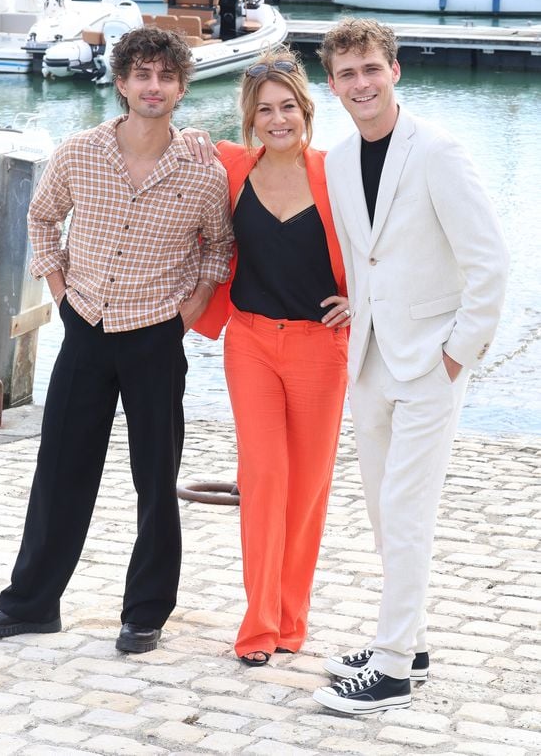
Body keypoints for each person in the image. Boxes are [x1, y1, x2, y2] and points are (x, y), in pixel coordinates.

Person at [0, 27, 233, 654]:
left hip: (156, 334)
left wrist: (190, 310)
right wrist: (59, 291)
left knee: (156, 479)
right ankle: (32, 605)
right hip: (85, 325)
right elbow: (42, 216)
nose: (154, 86)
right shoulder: (80, 152)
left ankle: (145, 613)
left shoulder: (204, 172)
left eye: (166, 77)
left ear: (181, 88)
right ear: (122, 83)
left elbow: (219, 246)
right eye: (143, 75)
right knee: (60, 471)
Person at [312, 18, 510, 714]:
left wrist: (456, 356)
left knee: (405, 509)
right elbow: (369, 254)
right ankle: (413, 642)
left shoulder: (439, 152)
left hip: (430, 363)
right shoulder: (339, 160)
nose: (361, 83)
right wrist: (359, 304)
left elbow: (490, 264)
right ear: (332, 85)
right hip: (370, 358)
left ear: (394, 70)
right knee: (381, 508)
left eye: (371, 68)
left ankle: (393, 668)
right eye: (347, 74)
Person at [185, 48, 350, 666]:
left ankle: (290, 619)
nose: (277, 120)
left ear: (306, 110)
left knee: (306, 489)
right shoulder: (231, 166)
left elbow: (388, 243)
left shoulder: (339, 174)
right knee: (264, 479)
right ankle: (257, 626)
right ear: (249, 119)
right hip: (250, 342)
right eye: (264, 110)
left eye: (287, 107)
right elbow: (178, 145)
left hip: (320, 348)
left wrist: (362, 298)